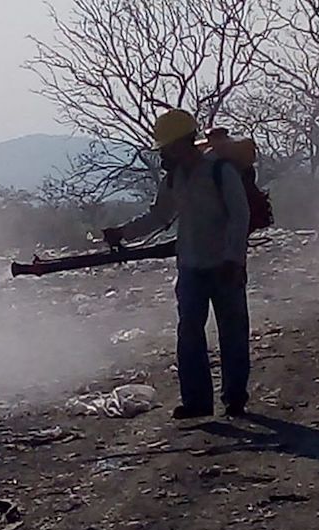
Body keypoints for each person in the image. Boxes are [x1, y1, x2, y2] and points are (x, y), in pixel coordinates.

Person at [103, 109, 251, 419]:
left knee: (232, 334)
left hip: (225, 266)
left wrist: (233, 258)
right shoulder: (175, 179)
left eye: (167, 148)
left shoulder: (220, 171)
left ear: (183, 144)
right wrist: (122, 232)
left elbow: (240, 216)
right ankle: (197, 403)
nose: (164, 155)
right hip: (191, 267)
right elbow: (158, 217)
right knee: (189, 335)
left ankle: (235, 399)